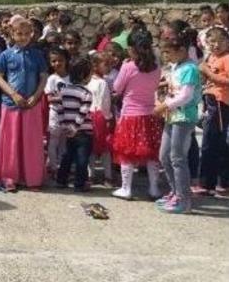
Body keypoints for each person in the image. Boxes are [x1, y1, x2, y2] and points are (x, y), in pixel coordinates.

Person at [0, 17, 49, 192]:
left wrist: (37, 95)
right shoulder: (5, 55)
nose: (23, 37)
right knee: (11, 142)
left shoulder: (37, 55)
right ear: (12, 33)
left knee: (31, 143)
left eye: (27, 34)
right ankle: (10, 177)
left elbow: (43, 77)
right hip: (11, 104)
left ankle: (31, 178)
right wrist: (13, 94)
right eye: (19, 34)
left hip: (32, 105)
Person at [154, 30, 203, 214]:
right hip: (172, 116)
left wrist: (163, 106)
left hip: (184, 118)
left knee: (177, 158)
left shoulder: (190, 68)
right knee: (164, 156)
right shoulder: (177, 66)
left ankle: (184, 200)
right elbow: (175, 88)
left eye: (169, 52)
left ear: (182, 50)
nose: (166, 56)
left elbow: (185, 96)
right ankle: (175, 192)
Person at [111, 30, 163, 201]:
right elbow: (155, 86)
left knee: (126, 151)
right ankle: (154, 188)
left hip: (130, 115)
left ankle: (126, 188)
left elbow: (117, 88)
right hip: (150, 114)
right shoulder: (156, 67)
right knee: (152, 152)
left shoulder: (128, 66)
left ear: (132, 48)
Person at [52, 57, 94, 192]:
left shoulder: (63, 91)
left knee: (67, 156)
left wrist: (65, 125)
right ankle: (80, 184)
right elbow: (83, 112)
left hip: (68, 130)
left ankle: (61, 180)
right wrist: (75, 128)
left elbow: (59, 108)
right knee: (82, 159)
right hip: (83, 131)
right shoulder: (86, 93)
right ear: (83, 75)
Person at [197, 27, 229, 196]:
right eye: (211, 42)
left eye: (219, 41)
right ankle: (214, 181)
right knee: (212, 142)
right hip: (210, 100)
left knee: (212, 143)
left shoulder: (227, 58)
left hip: (220, 102)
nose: (215, 45)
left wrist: (208, 73)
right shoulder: (212, 57)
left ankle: (209, 183)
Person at [87, 52, 114, 186]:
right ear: (96, 66)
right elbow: (105, 103)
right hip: (100, 117)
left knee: (91, 148)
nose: (108, 67)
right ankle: (108, 176)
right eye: (105, 64)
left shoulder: (87, 81)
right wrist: (108, 118)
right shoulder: (103, 83)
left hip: (88, 116)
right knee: (105, 148)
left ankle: (90, 175)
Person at [45, 47, 71, 174]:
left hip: (69, 115)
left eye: (60, 60)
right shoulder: (51, 79)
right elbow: (49, 98)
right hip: (55, 113)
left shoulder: (71, 78)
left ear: (66, 61)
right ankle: (53, 166)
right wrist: (64, 97)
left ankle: (62, 167)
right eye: (54, 61)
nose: (57, 63)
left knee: (64, 142)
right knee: (54, 140)